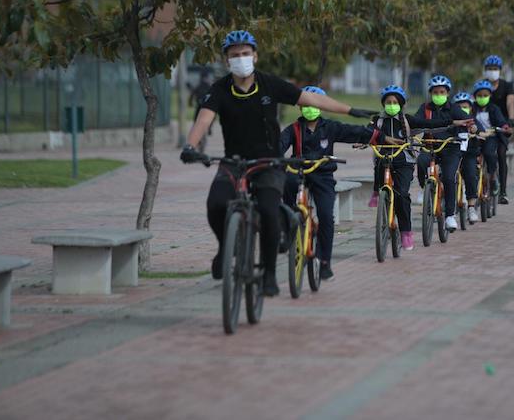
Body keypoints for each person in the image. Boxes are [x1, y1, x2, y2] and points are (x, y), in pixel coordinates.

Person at [180, 30, 373, 297]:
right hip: (233, 163)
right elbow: (204, 119)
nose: (241, 59)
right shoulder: (219, 89)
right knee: (215, 204)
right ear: (227, 60)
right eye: (234, 55)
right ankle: (225, 248)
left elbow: (312, 98)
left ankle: (269, 273)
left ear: (255, 56)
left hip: (268, 164)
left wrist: (349, 110)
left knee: (270, 213)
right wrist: (190, 146)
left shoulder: (270, 84)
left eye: (245, 54)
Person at [280, 86, 374, 281]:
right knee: (286, 182)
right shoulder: (294, 129)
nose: (310, 107)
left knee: (326, 216)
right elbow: (279, 145)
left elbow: (354, 132)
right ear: (300, 107)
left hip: (323, 176)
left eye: (314, 104)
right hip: (299, 172)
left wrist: (377, 136)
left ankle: (324, 262)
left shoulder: (330, 127)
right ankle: (289, 225)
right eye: (306, 104)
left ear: (321, 106)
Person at [370, 85, 455, 250]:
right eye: (389, 102)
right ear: (383, 103)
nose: (392, 105)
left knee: (402, 195)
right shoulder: (377, 120)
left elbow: (429, 123)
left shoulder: (408, 120)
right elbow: (366, 132)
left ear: (401, 105)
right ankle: (378, 196)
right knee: (380, 176)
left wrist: (452, 123)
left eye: (395, 102)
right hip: (384, 158)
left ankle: (406, 232)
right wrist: (361, 140)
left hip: (404, 163)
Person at [414, 75, 472, 232]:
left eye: (442, 92)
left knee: (448, 177)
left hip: (450, 148)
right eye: (435, 92)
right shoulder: (425, 108)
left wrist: (471, 127)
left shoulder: (453, 108)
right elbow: (415, 122)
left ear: (447, 93)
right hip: (430, 146)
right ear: (431, 93)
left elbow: (468, 121)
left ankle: (450, 216)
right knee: (421, 162)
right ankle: (423, 188)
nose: (438, 95)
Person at [483, 55, 514, 205]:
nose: (492, 72)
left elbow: (510, 103)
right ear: (485, 70)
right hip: (484, 127)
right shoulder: (482, 85)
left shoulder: (507, 86)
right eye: (489, 69)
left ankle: (503, 191)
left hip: (502, 126)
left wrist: (510, 121)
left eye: (495, 69)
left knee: (501, 154)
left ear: (500, 71)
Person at [472, 80, 511, 203]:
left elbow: (501, 121)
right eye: (479, 96)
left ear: (489, 96)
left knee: (489, 153)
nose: (482, 98)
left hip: (491, 137)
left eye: (485, 95)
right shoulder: (472, 108)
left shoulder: (494, 109)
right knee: (471, 155)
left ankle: (493, 175)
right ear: (475, 96)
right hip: (477, 138)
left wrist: (504, 126)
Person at [452, 91, 480, 224]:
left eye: (466, 106)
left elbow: (479, 129)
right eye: (459, 106)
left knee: (470, 174)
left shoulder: (473, 120)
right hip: (453, 153)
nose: (463, 109)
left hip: (469, 154)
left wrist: (475, 131)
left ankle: (471, 207)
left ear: (470, 107)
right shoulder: (453, 122)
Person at [189, 70, 215, 153]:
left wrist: (190, 103)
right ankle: (210, 127)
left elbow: (192, 95)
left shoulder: (198, 86)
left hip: (199, 107)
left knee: (196, 122)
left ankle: (198, 137)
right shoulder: (209, 86)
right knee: (211, 119)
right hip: (208, 107)